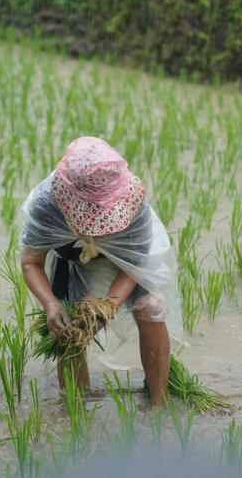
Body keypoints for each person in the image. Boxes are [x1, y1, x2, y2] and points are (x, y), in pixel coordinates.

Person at [19, 136, 181, 406]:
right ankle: (74, 407)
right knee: (68, 326)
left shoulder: (132, 203)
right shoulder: (46, 205)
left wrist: (106, 308)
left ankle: (160, 404)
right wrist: (50, 304)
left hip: (126, 260)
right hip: (70, 257)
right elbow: (30, 262)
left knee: (151, 307)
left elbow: (135, 263)